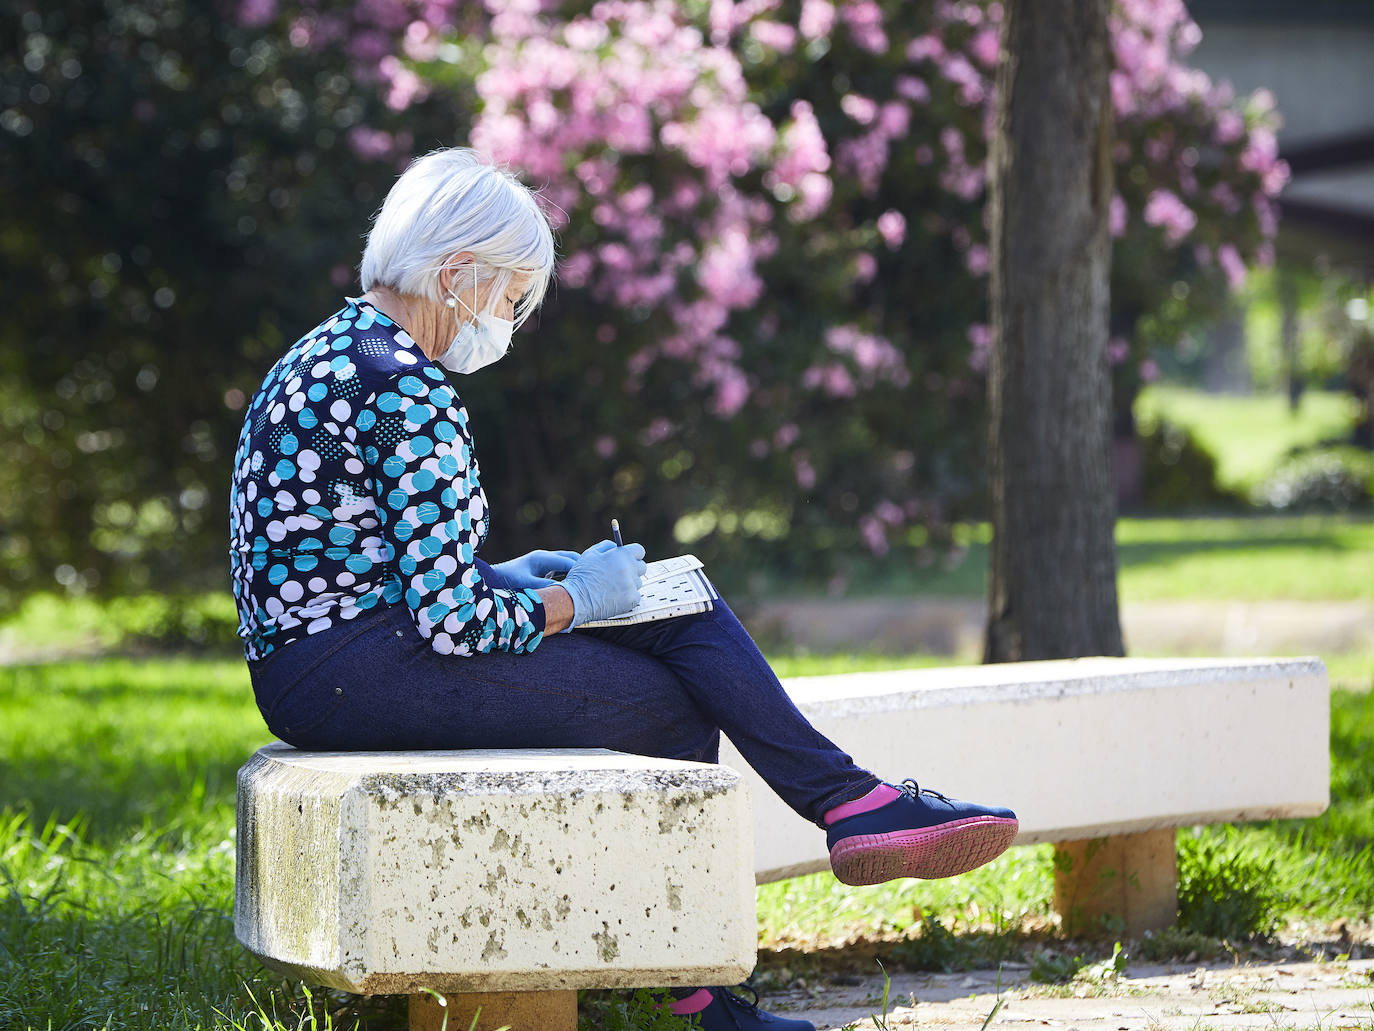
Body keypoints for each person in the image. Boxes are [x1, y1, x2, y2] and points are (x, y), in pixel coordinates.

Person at [228, 147, 1018, 1031]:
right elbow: (450, 621)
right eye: (508, 293)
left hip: (319, 666)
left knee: (675, 611)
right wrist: (579, 600)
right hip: (356, 670)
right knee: (665, 705)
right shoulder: (407, 386)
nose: (508, 318)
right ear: (455, 273)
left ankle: (829, 832)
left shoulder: (332, 352)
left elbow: (376, 566)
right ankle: (821, 842)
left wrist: (518, 576)